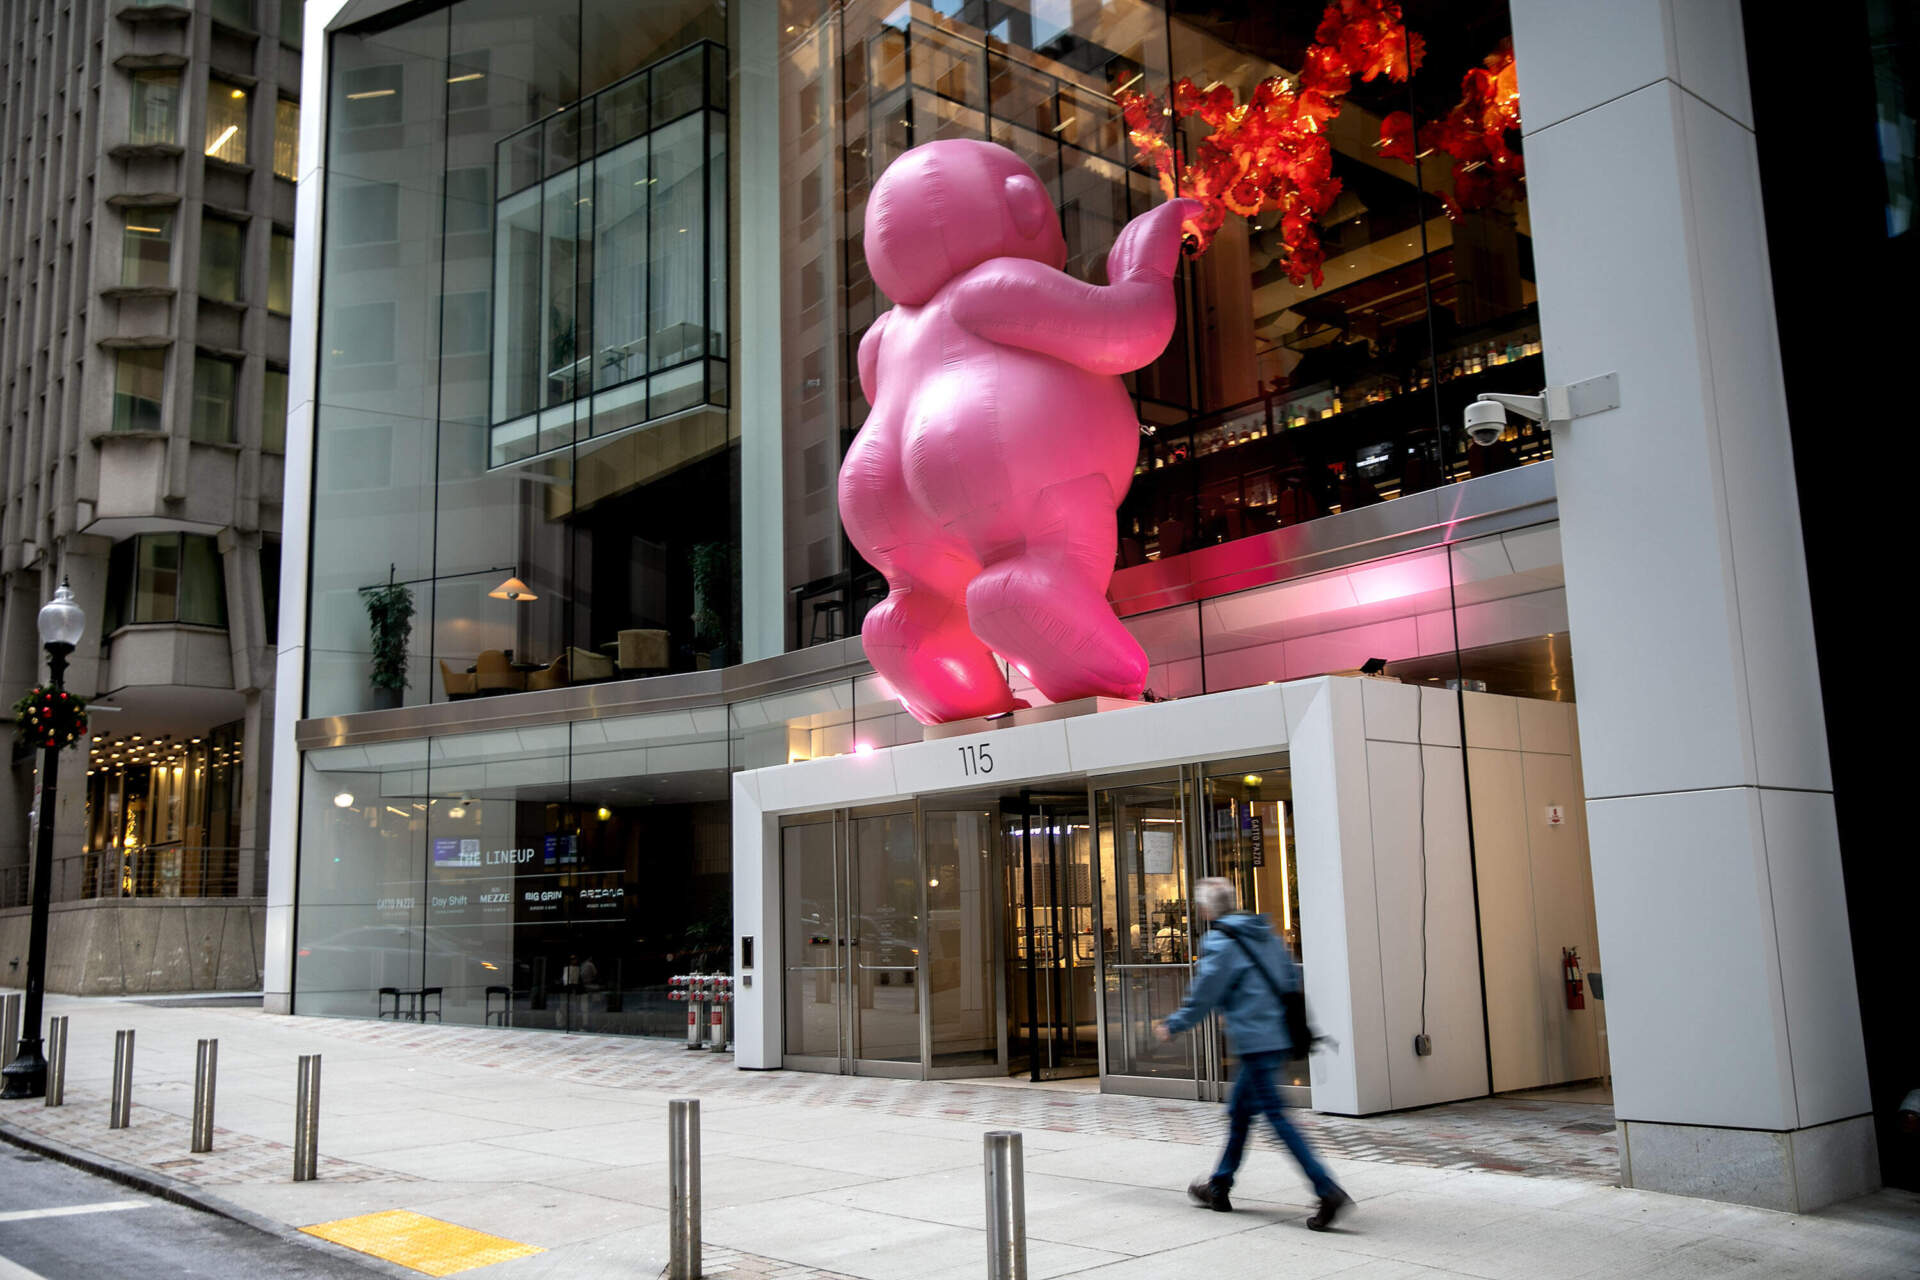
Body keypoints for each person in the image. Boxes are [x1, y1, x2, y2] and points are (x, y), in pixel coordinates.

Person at [1155, 877, 1350, 1230]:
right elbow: (1290, 978)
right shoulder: (1264, 933)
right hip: (1276, 1036)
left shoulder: (1220, 942)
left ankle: (1326, 1189)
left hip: (1255, 1040)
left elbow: (1205, 993)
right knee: (1241, 1114)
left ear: (1206, 909)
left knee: (1276, 1117)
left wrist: (1175, 1023)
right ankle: (1220, 1185)